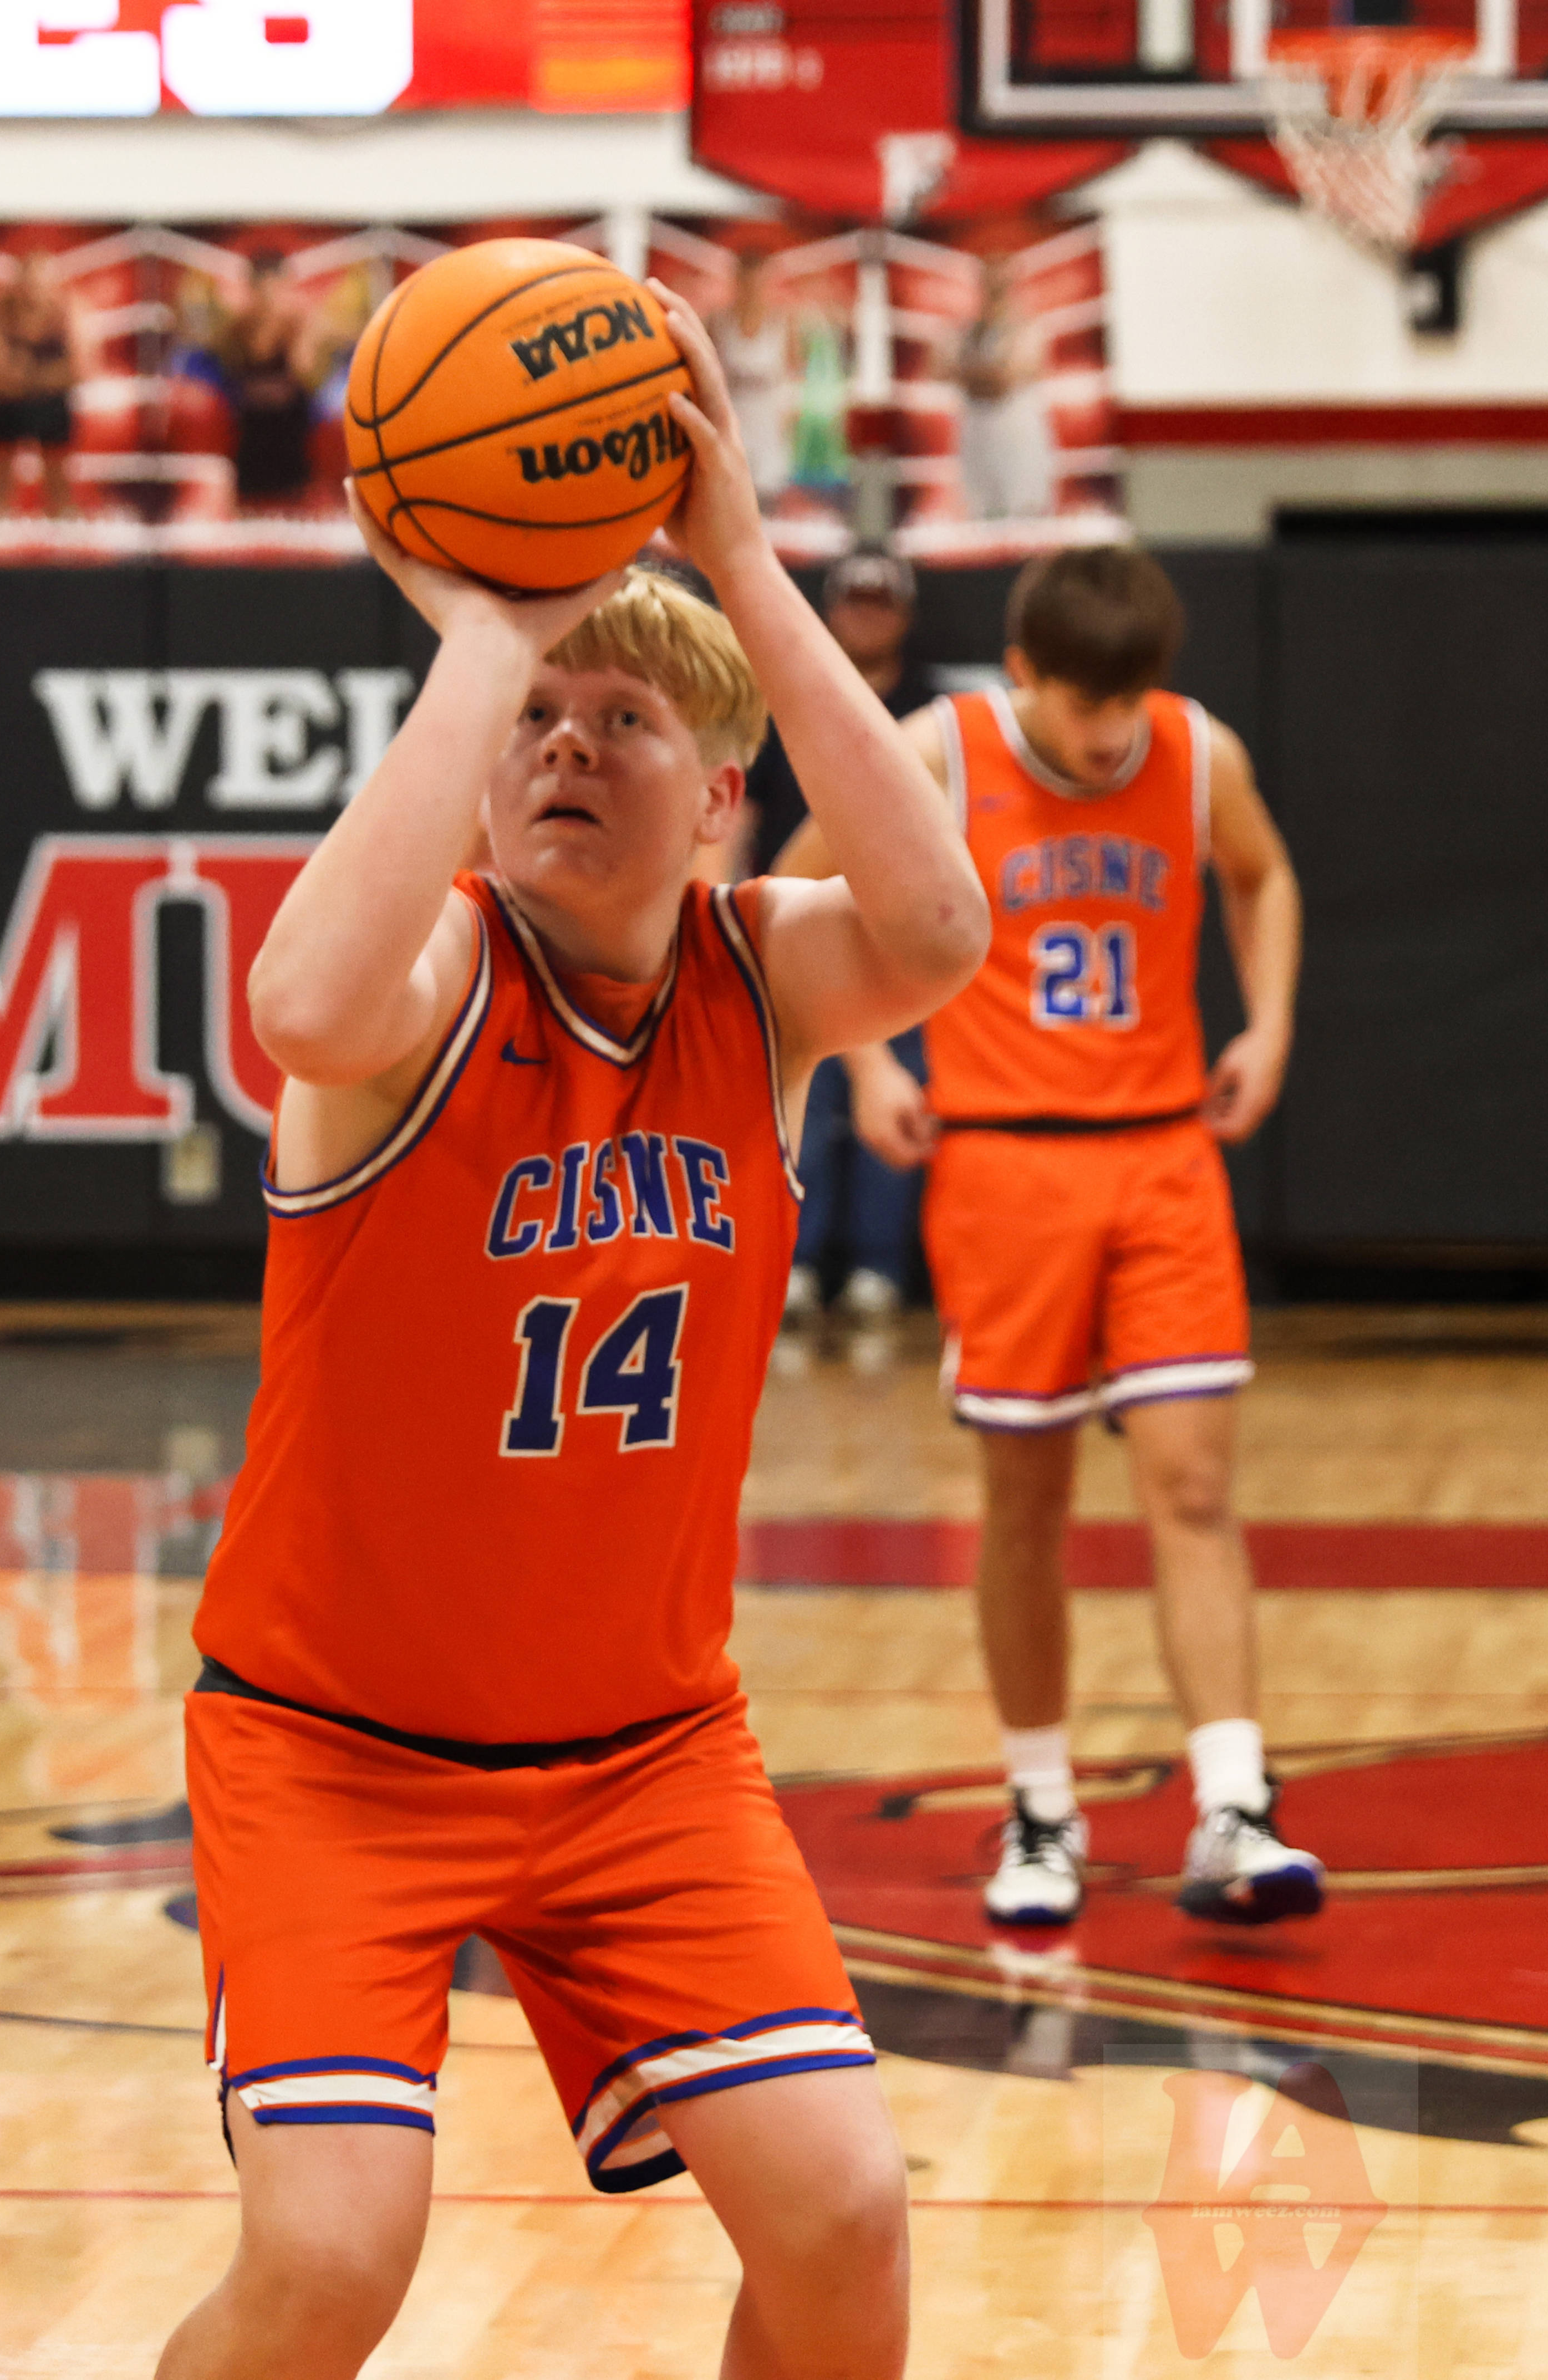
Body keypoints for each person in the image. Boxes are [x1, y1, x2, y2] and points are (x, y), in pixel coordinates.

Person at [157, 290, 986, 2379]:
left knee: (847, 2218)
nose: (565, 744)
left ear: (718, 798)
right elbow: (298, 1011)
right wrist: (487, 628)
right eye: (537, 716)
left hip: (644, 1758)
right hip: (336, 1752)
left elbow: (941, 928)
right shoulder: (425, 988)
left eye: (624, 721)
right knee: (332, 2259)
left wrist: (743, 560)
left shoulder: (757, 978)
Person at [776, 547, 1324, 1930]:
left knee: (1192, 1486)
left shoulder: (1196, 753)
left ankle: (1234, 1804)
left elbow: (1261, 876)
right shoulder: (937, 750)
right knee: (1024, 1501)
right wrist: (866, 1060)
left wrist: (1267, 1026)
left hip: (1162, 1156)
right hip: (1003, 1162)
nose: (1110, 730)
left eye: (1130, 698)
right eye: (1086, 703)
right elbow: (795, 890)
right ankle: (1038, 1806)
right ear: (1022, 672)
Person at [753, 549, 936, 1324]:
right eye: (854, 601)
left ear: (904, 614)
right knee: (800, 1089)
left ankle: (876, 1266)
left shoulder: (930, 716)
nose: (867, 615)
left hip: (899, 930)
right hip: (803, 921)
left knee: (897, 1090)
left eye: (880, 602)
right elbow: (746, 821)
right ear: (829, 609)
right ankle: (793, 1257)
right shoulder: (790, 701)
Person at [0, 251, 86, 519]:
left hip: (51, 403)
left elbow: (84, 366)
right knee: (1, 485)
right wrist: (30, 379)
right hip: (9, 401)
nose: (35, 291)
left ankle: (61, 521)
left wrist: (31, 378)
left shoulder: (68, 310)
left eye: (41, 284)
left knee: (58, 479)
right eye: (30, 283)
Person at [215, 251, 317, 510]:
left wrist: (289, 329)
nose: (270, 294)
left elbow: (305, 373)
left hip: (289, 417)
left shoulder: (298, 321)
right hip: (251, 419)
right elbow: (234, 374)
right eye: (263, 287)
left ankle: (295, 499)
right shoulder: (239, 325)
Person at [954, 257, 1053, 524]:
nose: (995, 289)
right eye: (990, 281)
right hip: (980, 436)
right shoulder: (970, 331)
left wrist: (972, 375)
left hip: (1016, 437)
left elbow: (1006, 379)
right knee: (984, 514)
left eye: (1001, 282)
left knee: (1023, 516)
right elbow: (941, 369)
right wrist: (986, 375)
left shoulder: (1028, 327)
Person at [710, 249, 791, 509]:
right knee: (731, 496)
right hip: (732, 419)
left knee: (766, 500)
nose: (752, 290)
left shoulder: (783, 322)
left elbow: (794, 378)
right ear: (738, 282)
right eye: (747, 283)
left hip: (768, 422)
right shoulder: (718, 322)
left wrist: (787, 420)